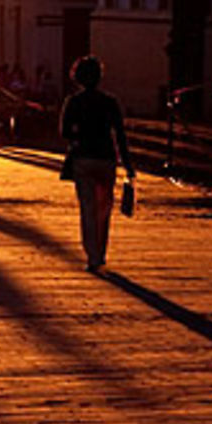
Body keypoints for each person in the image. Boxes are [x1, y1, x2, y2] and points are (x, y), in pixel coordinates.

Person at [59, 54, 135, 273]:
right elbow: (120, 135)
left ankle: (92, 255)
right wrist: (128, 165)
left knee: (88, 209)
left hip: (83, 158)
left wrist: (78, 133)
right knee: (104, 209)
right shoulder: (110, 102)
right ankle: (100, 251)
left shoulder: (73, 102)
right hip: (106, 160)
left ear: (78, 78)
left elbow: (64, 132)